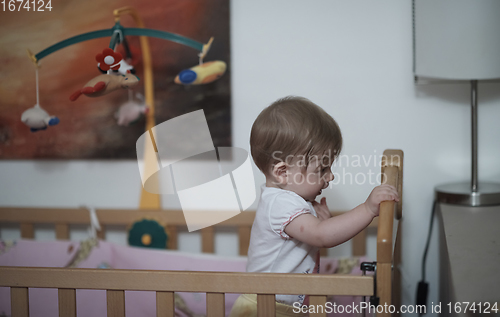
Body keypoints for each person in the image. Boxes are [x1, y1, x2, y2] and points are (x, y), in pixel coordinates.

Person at [229, 96, 399, 317]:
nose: (330, 176)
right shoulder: (280, 203)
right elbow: (321, 237)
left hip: (284, 306)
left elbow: (314, 235)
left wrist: (322, 222)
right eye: (322, 169)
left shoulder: (289, 200)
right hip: (265, 308)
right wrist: (367, 209)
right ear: (282, 172)